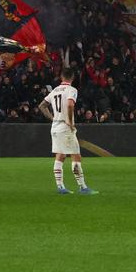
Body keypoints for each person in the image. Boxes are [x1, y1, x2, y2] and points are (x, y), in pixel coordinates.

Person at [38, 66, 96, 195]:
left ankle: (60, 187)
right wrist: (69, 121)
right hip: (65, 127)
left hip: (55, 127)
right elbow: (70, 104)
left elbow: (42, 106)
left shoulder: (54, 91)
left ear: (61, 77)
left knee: (61, 155)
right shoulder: (71, 90)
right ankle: (83, 187)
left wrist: (53, 118)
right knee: (76, 156)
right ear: (73, 78)